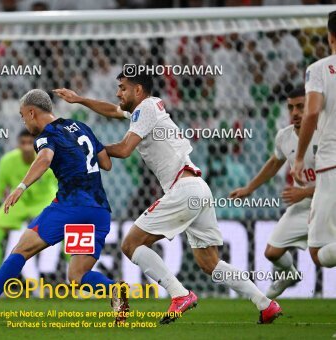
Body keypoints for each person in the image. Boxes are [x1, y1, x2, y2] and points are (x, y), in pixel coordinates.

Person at [54, 72, 282, 324]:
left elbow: (124, 149)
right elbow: (112, 110)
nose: (118, 93)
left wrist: (87, 148)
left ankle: (179, 294)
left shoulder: (146, 108)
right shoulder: (146, 110)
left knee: (130, 244)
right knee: (209, 263)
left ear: (138, 90)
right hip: (197, 188)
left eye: (122, 88)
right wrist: (79, 100)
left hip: (182, 190)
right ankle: (266, 303)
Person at [0, 89, 129, 323]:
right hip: (98, 211)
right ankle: (114, 290)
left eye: (22, 116)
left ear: (32, 112)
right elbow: (106, 164)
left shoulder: (45, 136)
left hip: (70, 206)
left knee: (21, 250)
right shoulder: (80, 127)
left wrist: (21, 186)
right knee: (77, 275)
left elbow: (44, 159)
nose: (23, 121)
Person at [230, 87, 316, 298]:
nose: (294, 112)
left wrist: (303, 193)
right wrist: (249, 188)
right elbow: (274, 163)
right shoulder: (284, 136)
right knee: (272, 252)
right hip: (304, 203)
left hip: (328, 203)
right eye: (290, 107)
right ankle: (289, 274)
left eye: (300, 107)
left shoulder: (327, 135)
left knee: (326, 256)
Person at [292, 11, 336, 268]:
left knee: (318, 251)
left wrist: (299, 158)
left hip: (331, 163)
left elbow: (311, 111)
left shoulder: (319, 69)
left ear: (330, 36)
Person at [0, 129, 57, 276]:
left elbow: (58, 183)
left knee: (67, 232)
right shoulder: (7, 161)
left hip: (44, 200)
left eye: (30, 143)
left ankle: (76, 280)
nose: (27, 147)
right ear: (18, 145)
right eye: (23, 143)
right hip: (18, 202)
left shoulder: (47, 158)